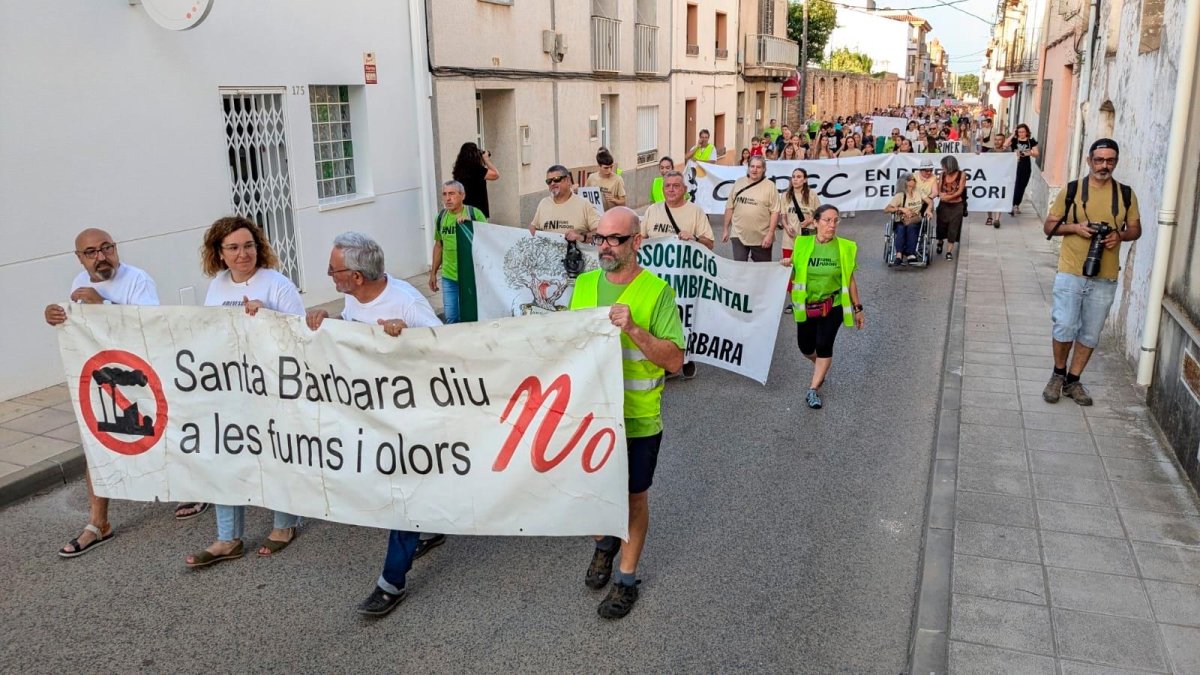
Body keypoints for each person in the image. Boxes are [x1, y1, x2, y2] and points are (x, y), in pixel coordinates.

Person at [304, 232, 444, 617]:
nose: (329, 275)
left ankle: (391, 582)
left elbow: (444, 348)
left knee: (403, 494)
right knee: (403, 486)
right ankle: (431, 527)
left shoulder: (407, 302)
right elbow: (352, 328)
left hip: (412, 418)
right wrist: (329, 322)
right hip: (373, 415)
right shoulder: (354, 297)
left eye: (333, 270)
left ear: (356, 276)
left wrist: (409, 336)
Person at [570, 207, 685, 619]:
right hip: (587, 418)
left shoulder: (656, 292)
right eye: (599, 238)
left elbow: (675, 361)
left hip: (637, 418)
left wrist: (635, 329)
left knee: (634, 496)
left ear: (636, 241)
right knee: (590, 493)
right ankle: (605, 545)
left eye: (614, 239)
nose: (604, 246)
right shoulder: (584, 284)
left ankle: (626, 579)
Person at [186, 216, 304, 568]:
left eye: (249, 245)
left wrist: (268, 316)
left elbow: (300, 336)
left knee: (276, 454)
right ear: (219, 253)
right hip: (230, 387)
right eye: (234, 248)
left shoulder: (277, 284)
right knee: (226, 455)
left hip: (272, 387)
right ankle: (228, 538)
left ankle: (284, 524)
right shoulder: (218, 286)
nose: (243, 254)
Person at [46, 229, 163, 557]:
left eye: (106, 248)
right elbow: (81, 330)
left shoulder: (137, 280)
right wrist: (56, 316)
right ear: (80, 258)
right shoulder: (78, 283)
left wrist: (104, 305)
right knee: (97, 444)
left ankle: (194, 493)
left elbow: (150, 326)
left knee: (164, 438)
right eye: (91, 252)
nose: (101, 257)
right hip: (104, 380)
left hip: (143, 378)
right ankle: (98, 523)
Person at [1041, 139, 1141, 406]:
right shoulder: (1073, 190)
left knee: (1091, 332)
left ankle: (1073, 381)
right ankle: (1058, 375)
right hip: (1071, 270)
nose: (1104, 165)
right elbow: (1049, 227)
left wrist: (1119, 235)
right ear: (1089, 161)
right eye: (1099, 160)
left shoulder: (1126, 194)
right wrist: (1076, 228)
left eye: (1110, 160)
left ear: (1115, 162)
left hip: (1105, 275)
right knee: (1064, 325)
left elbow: (1135, 229)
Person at [781, 205, 865, 409]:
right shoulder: (802, 243)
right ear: (816, 222)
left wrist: (858, 308)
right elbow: (795, 266)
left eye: (835, 220)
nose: (832, 225)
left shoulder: (845, 247)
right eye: (827, 220)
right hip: (807, 305)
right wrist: (787, 263)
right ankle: (819, 365)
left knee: (824, 344)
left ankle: (813, 389)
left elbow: (850, 280)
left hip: (833, 305)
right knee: (805, 347)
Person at [430, 180, 486, 324]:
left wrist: (472, 225)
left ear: (462, 195)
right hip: (449, 276)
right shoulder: (441, 217)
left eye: (452, 194)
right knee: (451, 317)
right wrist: (433, 273)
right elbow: (439, 245)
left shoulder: (474, 214)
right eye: (444, 194)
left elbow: (488, 240)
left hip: (470, 276)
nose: (448, 198)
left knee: (471, 316)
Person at [721, 156, 779, 262]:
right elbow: (730, 207)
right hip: (738, 234)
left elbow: (775, 212)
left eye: (758, 167)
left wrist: (770, 234)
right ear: (748, 168)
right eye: (752, 166)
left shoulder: (770, 186)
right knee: (740, 267)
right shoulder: (739, 183)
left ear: (764, 169)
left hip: (761, 237)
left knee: (762, 269)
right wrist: (725, 229)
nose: (754, 170)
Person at [780, 168, 821, 308]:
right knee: (790, 270)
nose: (795, 179)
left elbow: (819, 214)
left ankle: (809, 298)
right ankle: (794, 301)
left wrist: (809, 220)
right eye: (793, 177)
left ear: (805, 179)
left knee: (807, 269)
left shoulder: (812, 195)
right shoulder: (786, 195)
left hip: (807, 237)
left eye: (799, 177)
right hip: (790, 239)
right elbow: (783, 216)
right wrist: (786, 227)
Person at [530, 164, 599, 242]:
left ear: (568, 180)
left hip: (575, 250)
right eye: (549, 181)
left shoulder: (584, 204)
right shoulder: (543, 203)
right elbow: (533, 227)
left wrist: (581, 237)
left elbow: (600, 233)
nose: (552, 183)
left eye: (556, 179)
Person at [885, 174, 932, 265]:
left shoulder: (918, 192)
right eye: (912, 179)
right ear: (906, 182)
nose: (915, 181)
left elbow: (930, 202)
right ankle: (899, 255)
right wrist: (901, 209)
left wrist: (928, 209)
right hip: (902, 220)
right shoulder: (900, 195)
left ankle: (910, 253)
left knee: (912, 227)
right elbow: (886, 209)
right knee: (901, 229)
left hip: (915, 219)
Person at [451, 142, 498, 218]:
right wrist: (486, 159)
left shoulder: (458, 171)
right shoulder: (477, 170)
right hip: (478, 211)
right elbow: (496, 174)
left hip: (464, 210)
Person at [935, 156, 966, 261]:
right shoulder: (942, 175)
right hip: (944, 205)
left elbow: (960, 191)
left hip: (956, 205)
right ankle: (940, 242)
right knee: (941, 226)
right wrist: (941, 195)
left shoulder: (962, 175)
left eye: (943, 166)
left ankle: (949, 251)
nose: (942, 168)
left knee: (954, 227)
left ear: (949, 165)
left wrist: (948, 197)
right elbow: (939, 189)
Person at [1006, 124, 1039, 215]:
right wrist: (1013, 134)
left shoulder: (1031, 141)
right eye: (1019, 132)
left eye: (1023, 132)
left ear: (1027, 132)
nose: (1021, 134)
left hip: (1025, 166)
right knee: (1015, 185)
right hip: (1014, 165)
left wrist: (1029, 153)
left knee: (1022, 186)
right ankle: (1012, 205)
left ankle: (1017, 204)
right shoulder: (1014, 140)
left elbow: (1036, 153)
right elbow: (1005, 144)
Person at [983, 132, 1007, 228]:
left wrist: (1016, 158)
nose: (997, 141)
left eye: (999, 140)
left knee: (999, 198)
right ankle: (990, 217)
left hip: (1002, 179)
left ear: (1003, 141)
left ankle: (997, 219)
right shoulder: (990, 152)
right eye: (996, 140)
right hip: (991, 178)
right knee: (989, 198)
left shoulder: (1007, 153)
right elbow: (983, 161)